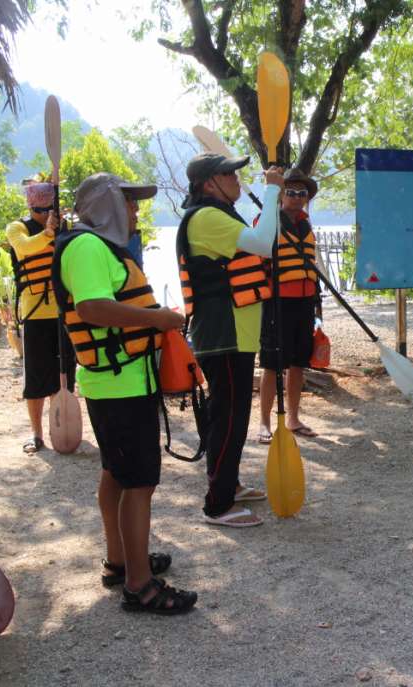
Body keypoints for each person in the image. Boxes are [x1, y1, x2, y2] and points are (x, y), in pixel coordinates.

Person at [53, 172, 197, 615]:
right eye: (129, 203)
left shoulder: (95, 246)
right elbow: (91, 308)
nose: (136, 212)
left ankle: (121, 560)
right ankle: (139, 585)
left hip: (121, 381)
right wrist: (156, 320)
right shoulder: (87, 247)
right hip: (118, 385)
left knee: (117, 473)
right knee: (139, 482)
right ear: (108, 206)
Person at [177, 153, 281, 528]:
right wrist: (271, 191)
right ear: (209, 183)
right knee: (229, 418)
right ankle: (217, 505)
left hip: (235, 333)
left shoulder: (218, 215)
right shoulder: (206, 218)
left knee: (234, 415)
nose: (237, 179)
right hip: (223, 334)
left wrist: (274, 198)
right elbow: (262, 242)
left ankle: (228, 484)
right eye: (229, 174)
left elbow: (265, 240)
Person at [6, 182, 76, 453]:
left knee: (65, 375)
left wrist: (60, 230)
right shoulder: (17, 228)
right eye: (38, 211)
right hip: (35, 313)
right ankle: (36, 434)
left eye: (48, 210)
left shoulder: (65, 228)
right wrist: (47, 232)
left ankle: (60, 427)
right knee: (36, 378)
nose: (43, 215)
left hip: (63, 311)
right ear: (30, 208)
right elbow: (24, 249)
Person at [257, 168, 322, 444]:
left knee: (298, 363)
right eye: (291, 192)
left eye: (302, 193)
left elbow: (311, 267)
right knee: (272, 364)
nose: (297, 197)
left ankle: (293, 418)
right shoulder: (268, 219)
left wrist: (317, 305)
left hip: (305, 301)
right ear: (281, 194)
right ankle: (263, 424)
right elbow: (258, 254)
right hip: (278, 302)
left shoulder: (306, 225)